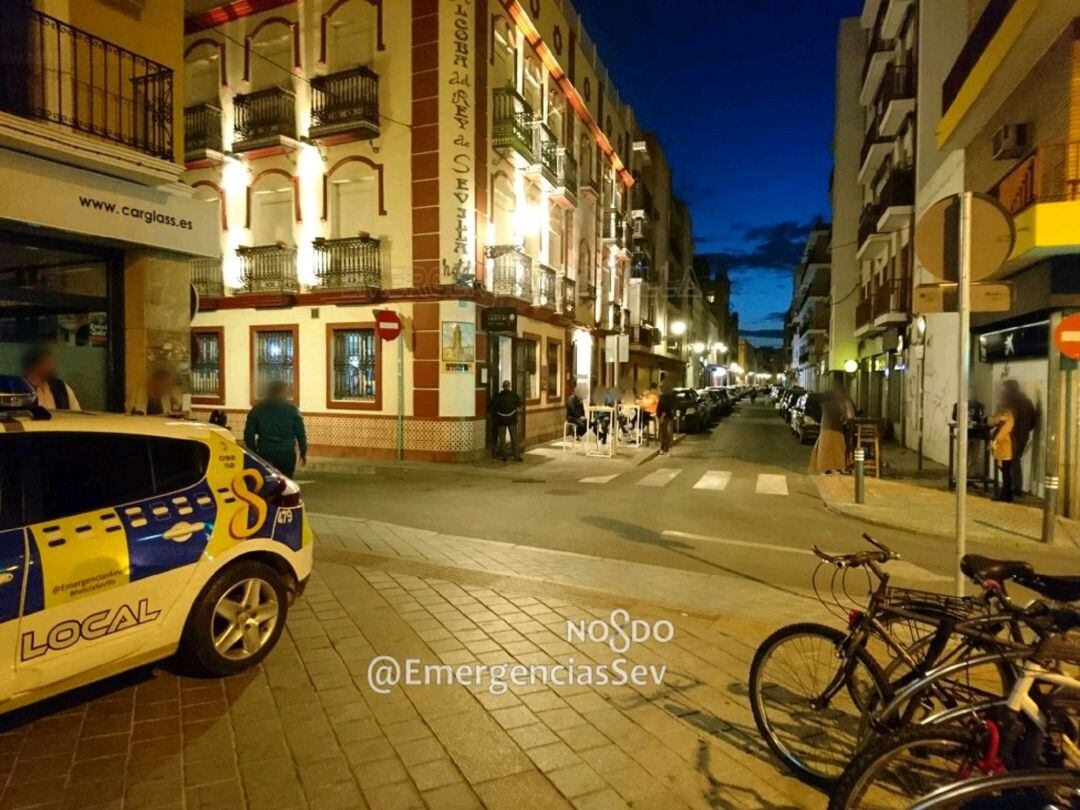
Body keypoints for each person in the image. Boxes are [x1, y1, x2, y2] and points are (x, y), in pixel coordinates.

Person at [244, 380, 307, 477]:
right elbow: (300, 433)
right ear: (283, 391)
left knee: (267, 481)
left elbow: (248, 434)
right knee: (286, 482)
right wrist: (303, 451)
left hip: (265, 451)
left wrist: (254, 453)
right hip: (287, 452)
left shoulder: (257, 409)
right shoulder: (292, 410)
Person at [1003, 379, 1035, 494]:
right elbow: (1033, 421)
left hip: (1014, 435)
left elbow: (1008, 419)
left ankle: (1015, 487)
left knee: (1012, 460)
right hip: (1023, 434)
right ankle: (1015, 487)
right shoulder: (1027, 401)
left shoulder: (1014, 402)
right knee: (1015, 460)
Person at [22, 345, 80, 410]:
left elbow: (77, 416)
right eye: (48, 361)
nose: (52, 365)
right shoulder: (21, 390)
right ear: (36, 364)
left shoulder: (62, 389)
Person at [810, 387, 850, 474]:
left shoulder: (824, 405)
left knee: (826, 450)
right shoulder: (837, 405)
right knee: (837, 449)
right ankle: (837, 467)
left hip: (825, 430)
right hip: (835, 430)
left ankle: (826, 467)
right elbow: (843, 417)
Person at [989, 391, 1016, 503]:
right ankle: (1006, 494)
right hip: (1001, 447)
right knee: (1004, 471)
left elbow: (1006, 430)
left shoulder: (1009, 414)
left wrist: (996, 439)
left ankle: (1006, 495)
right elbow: (991, 421)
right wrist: (996, 420)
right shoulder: (1001, 412)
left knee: (1006, 472)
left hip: (1005, 447)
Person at [490, 380, 523, 461]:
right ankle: (516, 456)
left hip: (500, 419)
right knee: (514, 438)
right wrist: (516, 413)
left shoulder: (498, 396)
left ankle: (504, 456)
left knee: (502, 438)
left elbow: (492, 407)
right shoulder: (514, 395)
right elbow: (520, 406)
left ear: (502, 386)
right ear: (509, 386)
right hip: (512, 420)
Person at [656, 381, 676, 455]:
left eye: (660, 387)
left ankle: (664, 449)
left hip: (664, 417)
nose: (659, 389)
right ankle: (664, 449)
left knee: (664, 434)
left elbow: (665, 408)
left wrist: (661, 417)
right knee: (664, 433)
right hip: (665, 417)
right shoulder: (666, 396)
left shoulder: (664, 397)